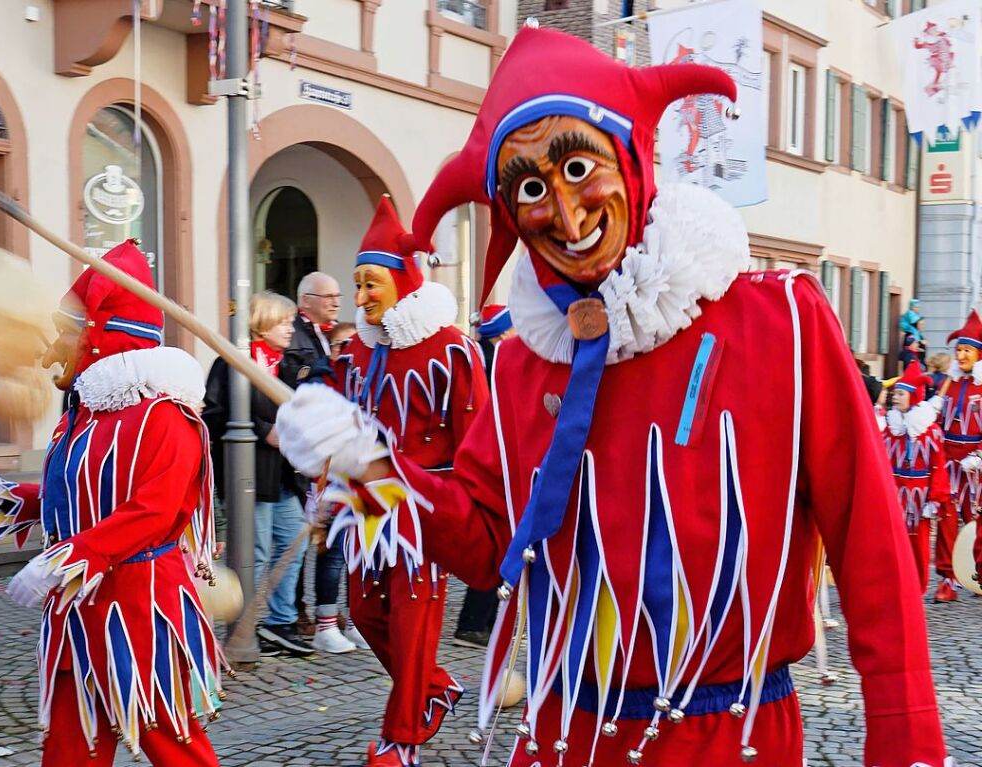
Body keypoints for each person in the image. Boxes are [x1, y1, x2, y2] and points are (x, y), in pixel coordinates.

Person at [275, 28, 947, 767]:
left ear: (631, 159)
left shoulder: (779, 319)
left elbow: (870, 540)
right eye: (530, 188)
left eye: (577, 167)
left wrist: (905, 735)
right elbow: (486, 542)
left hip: (730, 741)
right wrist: (367, 470)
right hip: (564, 732)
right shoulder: (524, 363)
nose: (566, 215)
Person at [0, 240, 224, 766]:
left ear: (101, 339)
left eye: (63, 333)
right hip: (75, 617)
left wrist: (66, 559)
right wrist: (6, 493)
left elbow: (151, 512)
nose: (49, 351)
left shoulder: (168, 418)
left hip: (139, 616)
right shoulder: (80, 416)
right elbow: (74, 497)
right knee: (67, 751)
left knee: (175, 750)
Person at [285, 196, 489, 767]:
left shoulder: (452, 350)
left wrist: (473, 509)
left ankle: (403, 738)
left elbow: (479, 438)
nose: (362, 297)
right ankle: (435, 688)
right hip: (369, 505)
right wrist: (327, 489)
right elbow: (348, 433)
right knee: (367, 612)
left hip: (426, 505)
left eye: (372, 283)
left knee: (413, 616)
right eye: (356, 285)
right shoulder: (359, 359)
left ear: (403, 281)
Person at [203, 291, 312, 656]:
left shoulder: (287, 364)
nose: (289, 328)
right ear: (262, 322)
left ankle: (280, 622)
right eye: (282, 321)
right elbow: (215, 415)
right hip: (249, 476)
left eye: (291, 321)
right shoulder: (233, 363)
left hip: (283, 475)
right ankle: (244, 627)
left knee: (294, 542)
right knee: (256, 551)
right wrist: (263, 429)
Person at [452, 304, 515, 650]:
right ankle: (474, 623)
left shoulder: (492, 358)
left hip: (494, 463)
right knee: (497, 542)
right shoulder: (496, 363)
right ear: (504, 331)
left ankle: (480, 621)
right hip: (495, 465)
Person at [282, 271, 340, 636]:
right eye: (328, 296)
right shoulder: (297, 338)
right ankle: (298, 609)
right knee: (303, 532)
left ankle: (320, 608)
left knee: (323, 533)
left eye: (337, 296)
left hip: (323, 450)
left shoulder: (322, 334)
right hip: (302, 454)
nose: (336, 301)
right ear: (306, 301)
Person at [310, 320, 369, 655]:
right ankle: (326, 625)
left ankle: (356, 620)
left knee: (358, 554)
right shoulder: (322, 380)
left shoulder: (362, 378)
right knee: (331, 554)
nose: (346, 353)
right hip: (329, 477)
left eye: (353, 346)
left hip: (358, 477)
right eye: (340, 346)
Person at [884, 361, 950, 594]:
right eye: (894, 393)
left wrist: (935, 499)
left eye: (900, 393)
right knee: (894, 542)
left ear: (913, 396)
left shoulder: (930, 432)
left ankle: (917, 588)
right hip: (896, 493)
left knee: (920, 545)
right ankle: (896, 585)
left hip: (920, 497)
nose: (895, 397)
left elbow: (938, 466)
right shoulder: (891, 430)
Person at [930, 309, 982, 603]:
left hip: (976, 464)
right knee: (947, 522)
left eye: (967, 350)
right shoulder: (947, 385)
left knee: (977, 523)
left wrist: (979, 456)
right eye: (959, 349)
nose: (961, 355)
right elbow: (936, 422)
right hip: (948, 462)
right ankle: (948, 579)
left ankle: (979, 576)